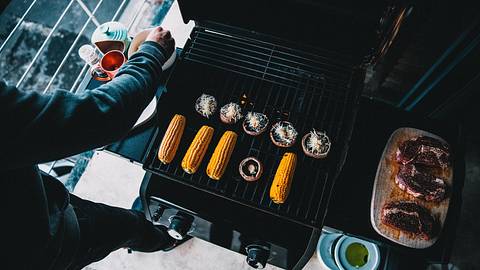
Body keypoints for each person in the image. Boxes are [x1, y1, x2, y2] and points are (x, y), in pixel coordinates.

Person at [0, 26, 175, 270]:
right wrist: (151, 53)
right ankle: (162, 237)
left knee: (85, 210)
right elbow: (100, 115)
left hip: (31, 204)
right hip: (44, 243)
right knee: (123, 226)